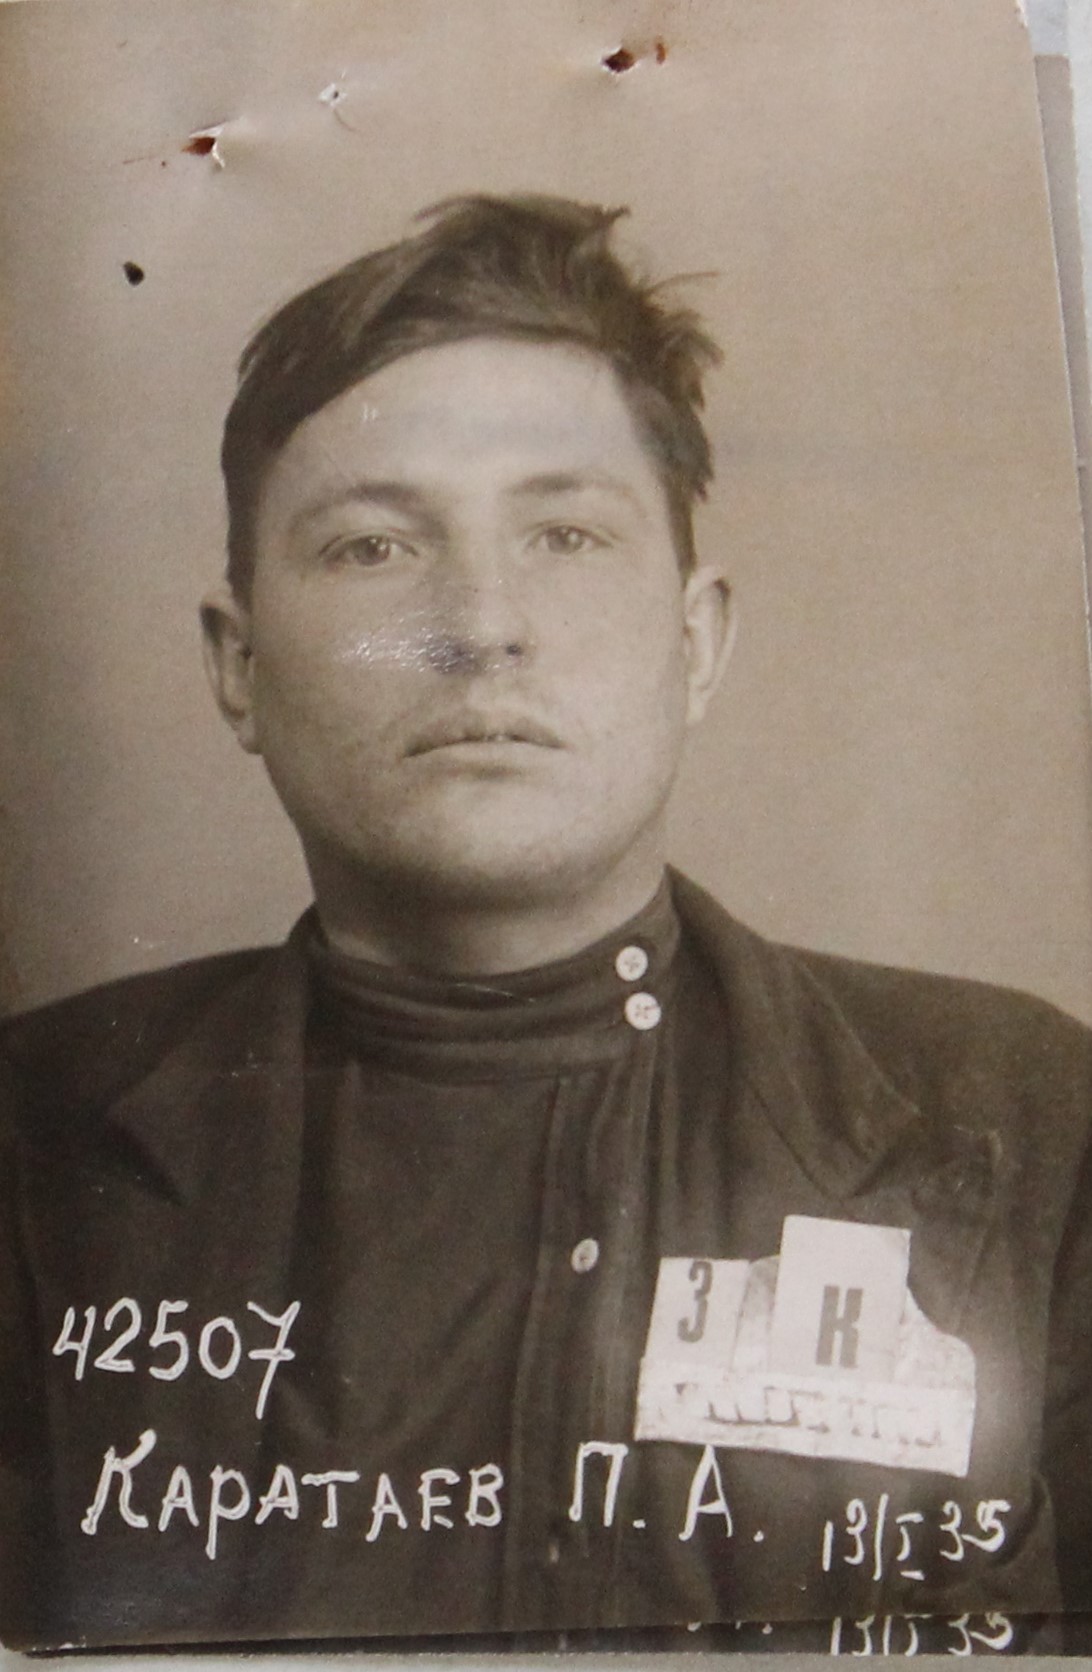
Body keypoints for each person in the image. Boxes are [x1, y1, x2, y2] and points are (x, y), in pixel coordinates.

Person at [2, 194, 1092, 1656]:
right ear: (239, 665)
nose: (481, 625)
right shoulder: (30, 1148)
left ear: (695, 643)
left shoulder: (1031, 1126)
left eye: (566, 535)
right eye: (372, 549)